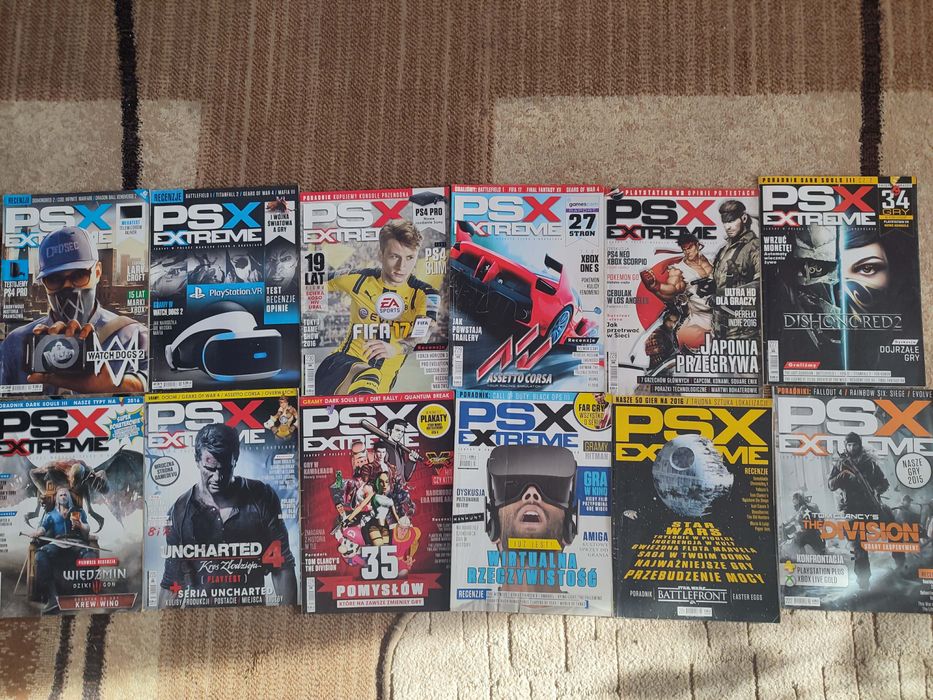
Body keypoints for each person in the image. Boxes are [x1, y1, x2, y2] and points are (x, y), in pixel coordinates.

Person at [159, 423, 297, 606]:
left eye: (224, 468)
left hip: (252, 616)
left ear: (235, 459)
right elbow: (171, 584)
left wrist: (287, 619)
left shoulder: (261, 497)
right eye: (210, 469)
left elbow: (282, 567)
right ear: (197, 460)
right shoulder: (180, 511)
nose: (217, 478)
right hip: (200, 618)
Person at [0, 226, 148, 393]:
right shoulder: (16, 343)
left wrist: (115, 386)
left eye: (79, 275)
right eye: (54, 279)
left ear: (97, 272)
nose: (68, 286)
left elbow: (154, 386)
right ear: (44, 283)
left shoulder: (133, 335)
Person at [314, 219, 439, 395]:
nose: (402, 267)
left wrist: (395, 348)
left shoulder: (426, 294)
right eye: (394, 256)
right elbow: (310, 280)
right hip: (340, 368)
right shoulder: (358, 279)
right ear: (381, 255)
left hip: (382, 387)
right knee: (369, 375)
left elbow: (424, 334)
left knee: (369, 391)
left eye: (410, 257)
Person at [827, 432, 904, 589]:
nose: (852, 448)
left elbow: (884, 483)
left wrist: (876, 490)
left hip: (872, 506)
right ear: (845, 446)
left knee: (893, 528)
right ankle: (863, 583)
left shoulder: (870, 463)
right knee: (858, 546)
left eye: (855, 444)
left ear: (859, 445)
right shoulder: (841, 464)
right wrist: (843, 475)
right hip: (852, 510)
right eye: (849, 445)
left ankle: (900, 563)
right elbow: (831, 485)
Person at [640, 233, 714, 349]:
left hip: (724, 311)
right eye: (684, 249)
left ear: (697, 245)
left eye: (690, 247)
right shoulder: (679, 269)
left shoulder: (713, 259)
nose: (687, 252)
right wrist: (656, 286)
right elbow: (673, 288)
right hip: (702, 319)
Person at [30, 486, 91, 613]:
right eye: (61, 495)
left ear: (69, 497)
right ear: (57, 498)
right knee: (40, 555)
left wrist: (81, 525)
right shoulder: (51, 514)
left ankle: (80, 595)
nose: (63, 497)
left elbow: (87, 530)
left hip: (76, 543)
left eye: (65, 494)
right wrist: (37, 532)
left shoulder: (79, 511)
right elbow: (43, 527)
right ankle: (52, 597)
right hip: (58, 543)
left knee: (89, 556)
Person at [710, 200, 760, 339]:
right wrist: (709, 287)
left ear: (743, 218)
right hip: (720, 327)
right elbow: (722, 281)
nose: (727, 226)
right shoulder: (724, 249)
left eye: (731, 221)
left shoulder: (754, 247)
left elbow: (761, 284)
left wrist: (724, 295)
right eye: (724, 222)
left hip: (743, 330)